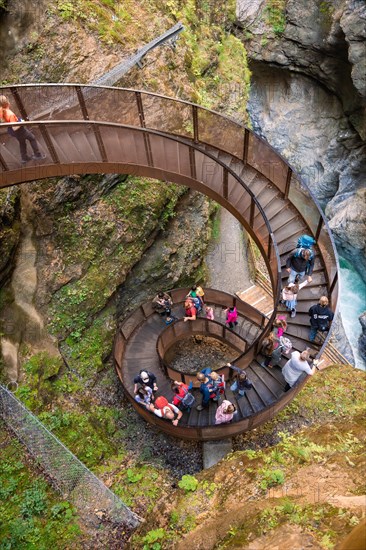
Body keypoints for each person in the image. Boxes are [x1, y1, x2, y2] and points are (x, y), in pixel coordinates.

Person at [0, 95, 46, 165]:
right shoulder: (10, 114)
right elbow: (15, 128)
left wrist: (17, 120)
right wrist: (21, 122)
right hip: (19, 131)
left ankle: (24, 158)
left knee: (22, 142)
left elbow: (6, 121)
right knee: (32, 138)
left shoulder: (2, 110)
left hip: (12, 131)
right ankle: (37, 155)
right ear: (7, 103)